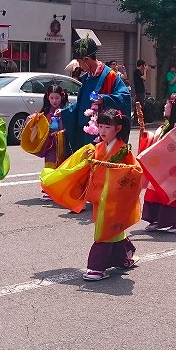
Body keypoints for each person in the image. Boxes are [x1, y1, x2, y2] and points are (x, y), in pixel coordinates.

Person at [41, 108, 142, 281]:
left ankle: (96, 268)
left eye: (107, 127)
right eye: (100, 126)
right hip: (98, 195)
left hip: (113, 197)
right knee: (112, 228)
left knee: (104, 230)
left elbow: (135, 171)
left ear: (118, 128)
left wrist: (121, 169)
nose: (102, 131)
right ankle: (125, 256)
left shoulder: (123, 150)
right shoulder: (98, 147)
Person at [58, 34, 131, 154]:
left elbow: (125, 97)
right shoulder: (87, 78)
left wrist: (105, 99)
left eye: (79, 61)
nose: (79, 65)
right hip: (85, 133)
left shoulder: (110, 76)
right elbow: (81, 104)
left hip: (103, 133)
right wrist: (63, 112)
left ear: (87, 59)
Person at [139, 93, 176, 233]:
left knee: (173, 195)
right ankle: (157, 219)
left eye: (167, 104)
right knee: (156, 192)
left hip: (175, 168)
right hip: (164, 166)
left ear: (173, 107)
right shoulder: (168, 125)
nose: (164, 106)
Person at [22, 84, 70, 201]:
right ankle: (48, 190)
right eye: (52, 98)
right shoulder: (46, 112)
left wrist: (62, 132)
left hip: (64, 144)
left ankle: (60, 189)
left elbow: (71, 126)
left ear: (62, 97)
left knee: (63, 166)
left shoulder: (67, 111)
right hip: (50, 145)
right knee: (49, 166)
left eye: (57, 98)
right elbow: (36, 123)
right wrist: (33, 119)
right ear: (48, 97)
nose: (54, 101)